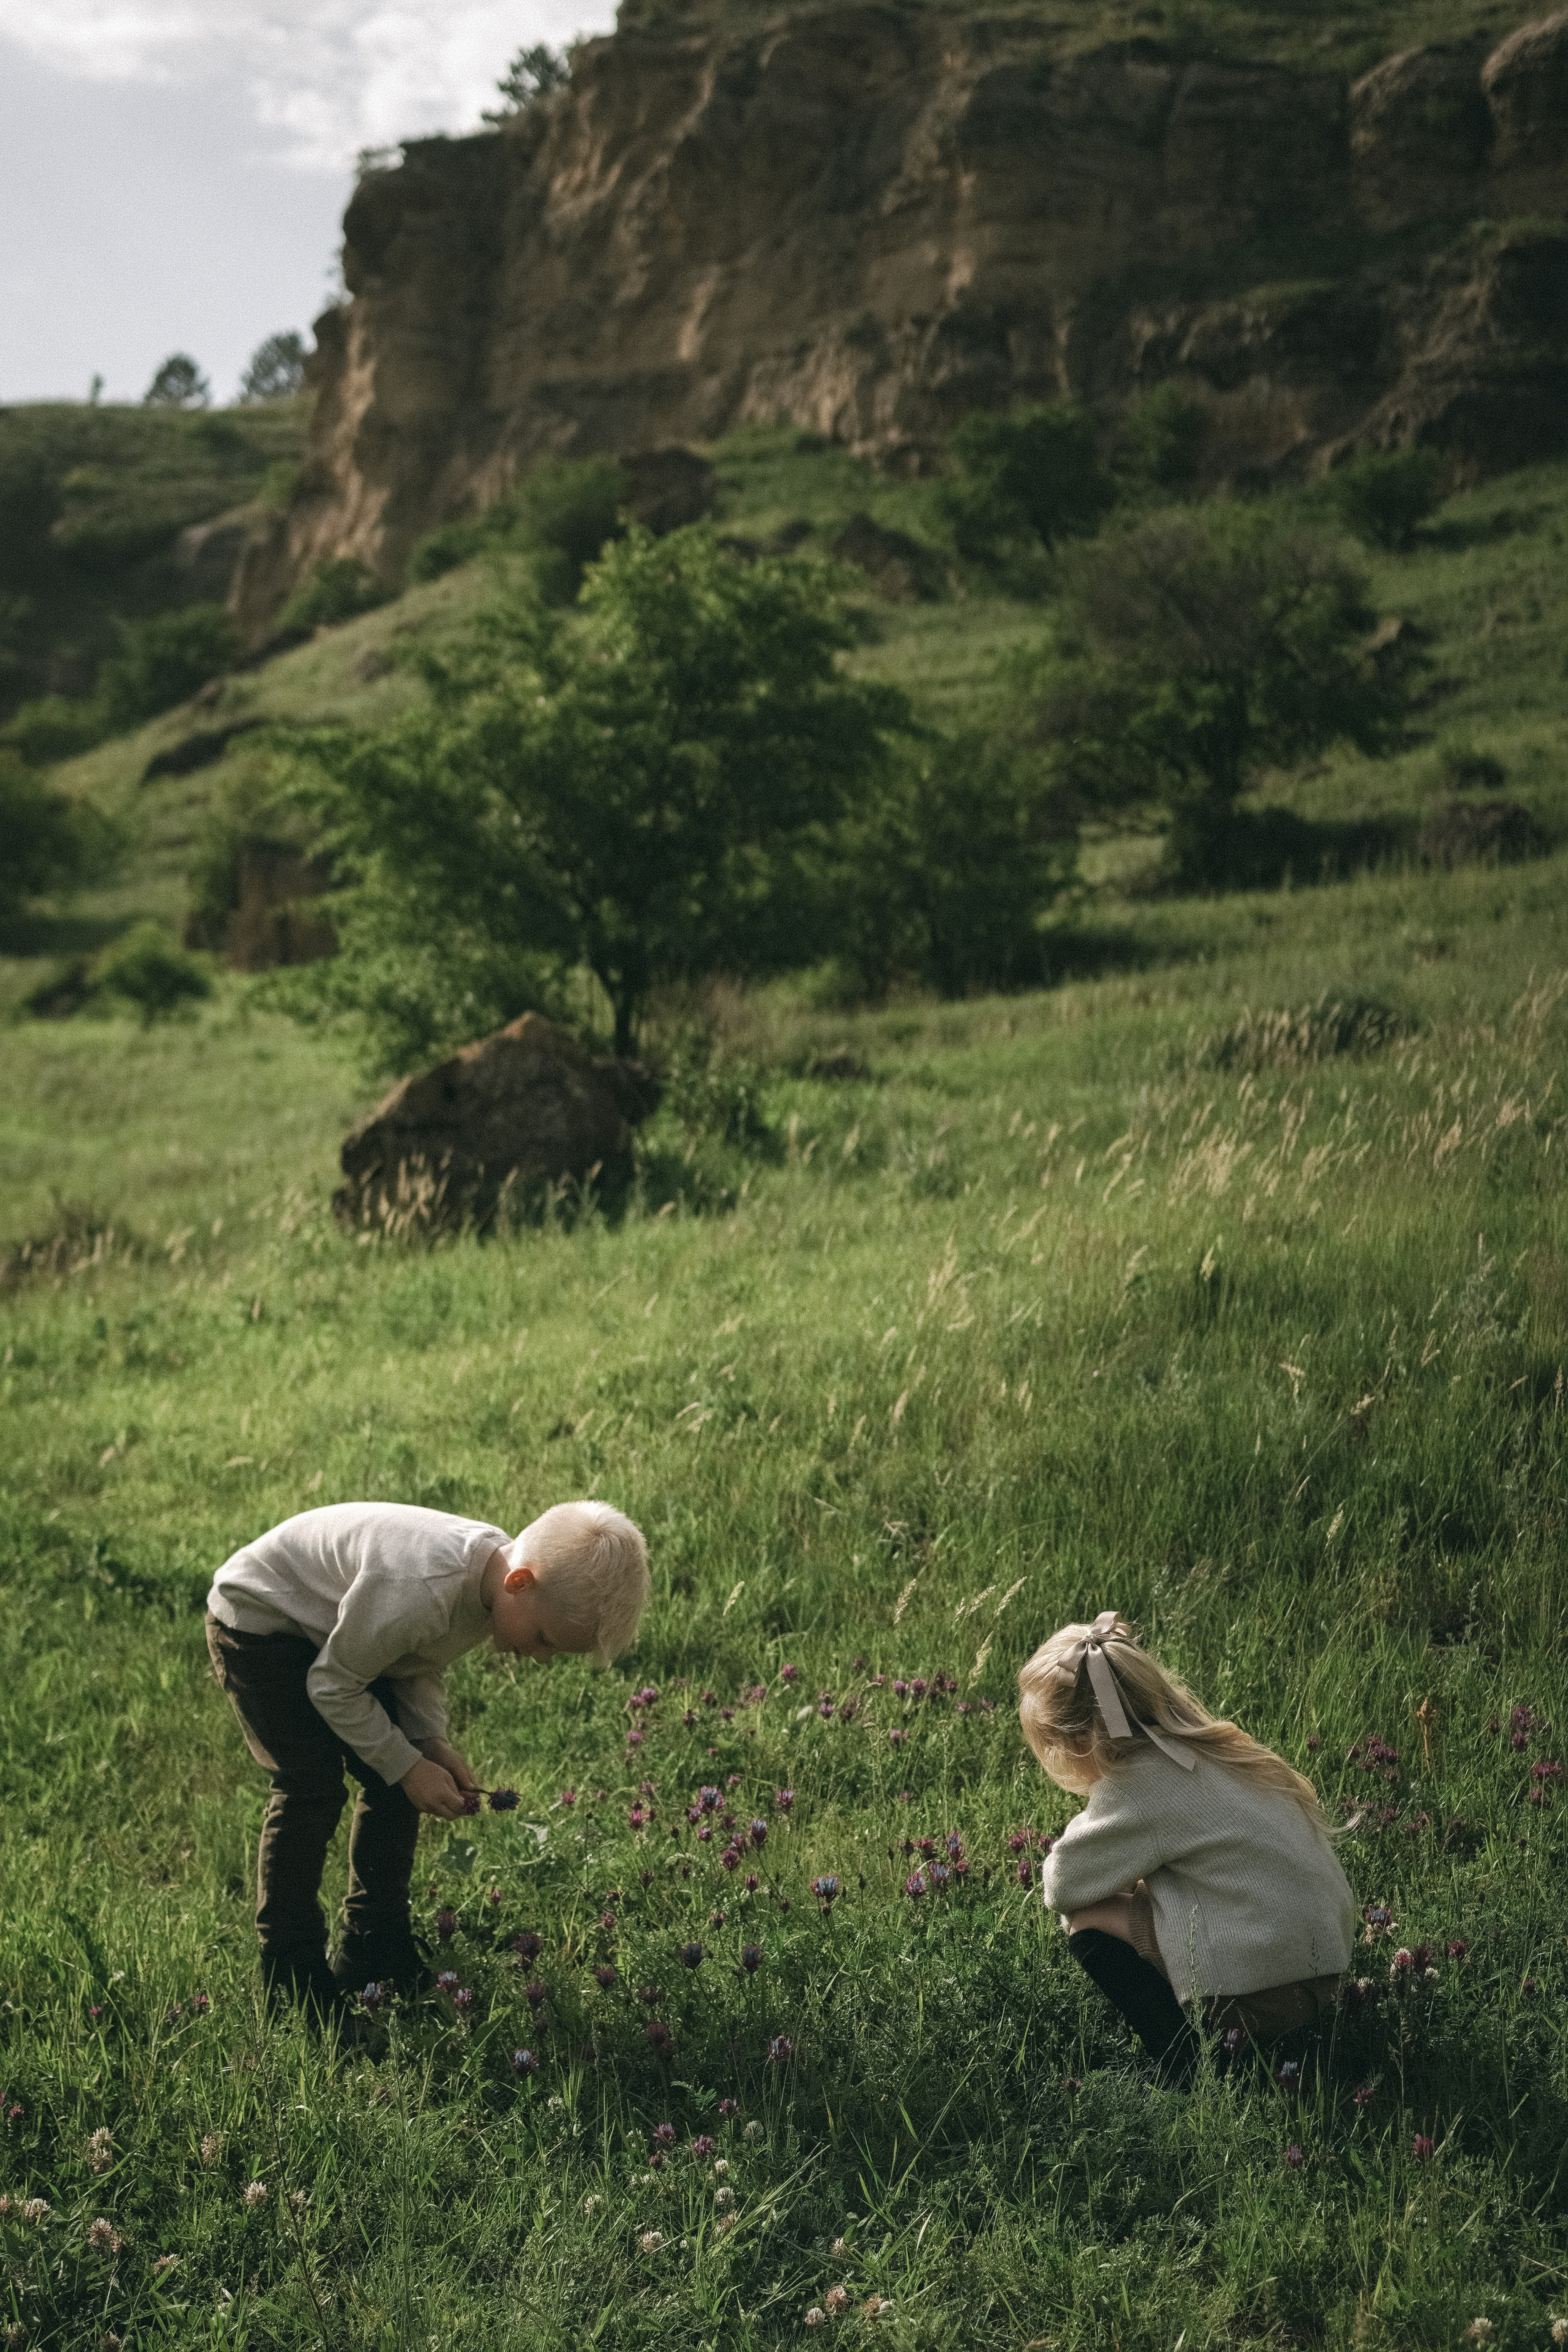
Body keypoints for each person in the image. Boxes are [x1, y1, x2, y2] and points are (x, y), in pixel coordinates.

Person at [206, 1498, 650, 2024]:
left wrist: (427, 1743)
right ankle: (291, 1971)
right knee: (312, 1784)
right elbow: (332, 1685)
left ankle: (374, 1941)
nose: (541, 1657)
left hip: (332, 1636)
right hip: (262, 1625)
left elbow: (413, 1661)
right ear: (520, 1583)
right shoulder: (421, 1588)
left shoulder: (489, 1584)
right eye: (544, 1639)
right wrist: (407, 1765)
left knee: (397, 1770)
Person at [1019, 1610, 1355, 2084]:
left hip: (1261, 2000)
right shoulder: (1215, 1747)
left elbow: (1063, 1884)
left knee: (1086, 1919)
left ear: (1080, 1740)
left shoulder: (1137, 1784)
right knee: (1146, 1894)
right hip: (1327, 1978)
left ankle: (1189, 2067)